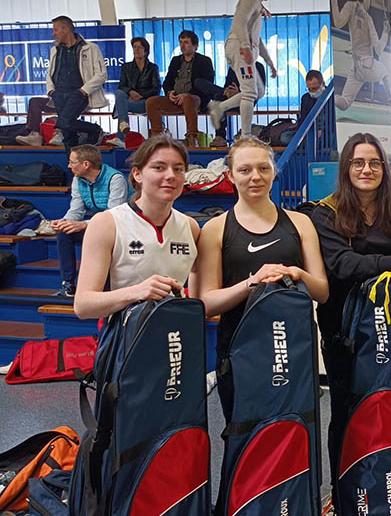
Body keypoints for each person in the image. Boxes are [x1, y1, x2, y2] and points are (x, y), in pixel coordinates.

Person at [303, 131, 391, 516]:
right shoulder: (325, 214)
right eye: (358, 163)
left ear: (385, 168)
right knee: (346, 412)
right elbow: (340, 264)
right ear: (346, 168)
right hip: (344, 331)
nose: (366, 170)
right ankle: (342, 499)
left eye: (375, 163)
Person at [196, 136, 328, 422]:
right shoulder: (215, 229)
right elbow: (206, 303)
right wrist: (252, 282)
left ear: (274, 171)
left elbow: (322, 292)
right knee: (244, 440)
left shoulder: (300, 222)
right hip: (239, 350)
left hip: (292, 348)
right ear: (230, 176)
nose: (255, 177)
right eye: (245, 170)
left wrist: (298, 274)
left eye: (263, 168)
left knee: (293, 436)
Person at [73, 135, 200, 320]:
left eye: (178, 169)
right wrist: (137, 292)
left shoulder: (190, 226)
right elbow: (83, 306)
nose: (171, 175)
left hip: (177, 338)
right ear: (137, 174)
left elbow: (198, 286)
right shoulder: (107, 223)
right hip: (128, 340)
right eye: (159, 167)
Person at [207, 0, 279, 139]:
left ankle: (219, 108)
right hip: (239, 46)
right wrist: (245, 47)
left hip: (244, 47)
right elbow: (240, 21)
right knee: (249, 93)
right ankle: (245, 135)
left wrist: (269, 63)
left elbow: (257, 39)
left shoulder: (257, 4)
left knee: (257, 92)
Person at [51, 145, 127, 297]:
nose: (69, 165)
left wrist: (83, 224)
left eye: (72, 162)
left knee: (98, 236)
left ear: (86, 164)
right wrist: (64, 222)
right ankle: (69, 284)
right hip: (98, 225)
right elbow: (76, 210)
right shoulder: (78, 180)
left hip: (121, 228)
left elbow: (114, 216)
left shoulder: (115, 179)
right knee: (64, 233)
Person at [28, 16, 106, 153]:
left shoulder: (90, 48)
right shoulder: (55, 50)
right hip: (58, 94)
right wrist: (51, 91)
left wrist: (83, 90)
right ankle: (73, 169)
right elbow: (49, 72)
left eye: (56, 30)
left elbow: (101, 74)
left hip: (78, 93)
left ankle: (95, 129)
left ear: (66, 29)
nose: (54, 33)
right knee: (68, 137)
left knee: (63, 124)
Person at [329, 0, 391, 122]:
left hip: (357, 70)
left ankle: (327, 98)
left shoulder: (349, 6)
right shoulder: (368, 18)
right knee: (386, 74)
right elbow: (378, 48)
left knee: (344, 103)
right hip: (368, 65)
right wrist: (385, 32)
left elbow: (338, 23)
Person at [145, 29, 215, 148]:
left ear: (195, 46)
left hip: (196, 98)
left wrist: (187, 94)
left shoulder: (204, 61)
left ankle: (192, 137)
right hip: (176, 98)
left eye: (186, 42)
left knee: (187, 98)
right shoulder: (175, 60)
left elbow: (207, 84)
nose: (183, 45)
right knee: (151, 102)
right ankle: (157, 138)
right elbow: (167, 82)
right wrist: (170, 92)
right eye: (181, 42)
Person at [195, 63, 266, 147]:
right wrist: (228, 91)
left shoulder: (258, 67)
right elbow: (228, 85)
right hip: (228, 96)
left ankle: (220, 136)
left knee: (218, 99)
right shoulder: (234, 66)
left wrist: (239, 92)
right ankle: (222, 95)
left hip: (246, 100)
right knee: (199, 82)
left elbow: (258, 92)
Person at [113, 36, 161, 139]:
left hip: (145, 102)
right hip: (130, 101)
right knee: (119, 93)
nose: (136, 50)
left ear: (146, 51)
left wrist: (140, 95)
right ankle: (123, 124)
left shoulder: (153, 68)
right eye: (134, 47)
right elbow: (122, 85)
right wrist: (130, 92)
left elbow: (156, 89)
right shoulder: (126, 67)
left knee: (120, 105)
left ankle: (121, 137)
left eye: (140, 47)